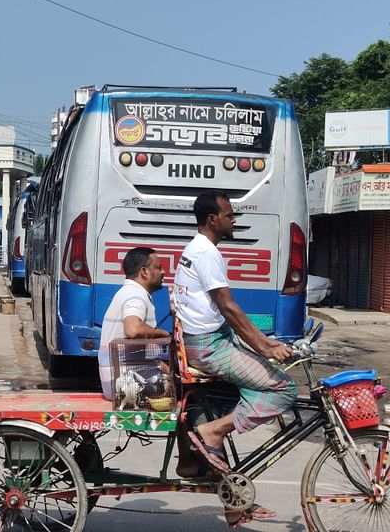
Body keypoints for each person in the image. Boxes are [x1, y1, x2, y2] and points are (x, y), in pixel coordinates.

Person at [173, 190, 296, 527]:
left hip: (212, 338)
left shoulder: (197, 249)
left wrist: (264, 340)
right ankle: (214, 432)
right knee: (284, 388)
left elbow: (223, 312)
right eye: (229, 215)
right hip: (210, 347)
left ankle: (231, 499)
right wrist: (264, 348)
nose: (234, 220)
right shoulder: (207, 253)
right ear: (213, 219)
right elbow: (227, 307)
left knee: (250, 384)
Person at [98, 247, 168, 400]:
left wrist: (169, 370)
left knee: (174, 379)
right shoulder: (135, 295)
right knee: (173, 388)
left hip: (122, 378)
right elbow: (133, 329)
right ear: (144, 272)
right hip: (123, 384)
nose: (163, 272)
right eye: (158, 268)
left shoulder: (130, 292)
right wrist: (161, 333)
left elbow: (146, 356)